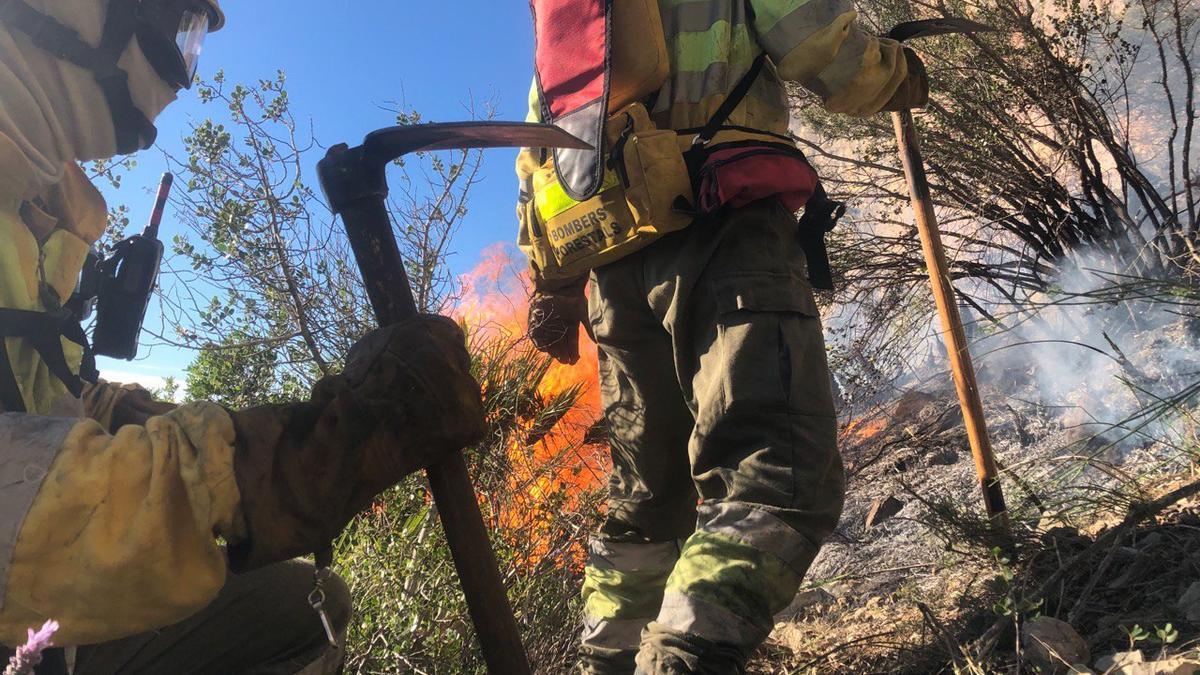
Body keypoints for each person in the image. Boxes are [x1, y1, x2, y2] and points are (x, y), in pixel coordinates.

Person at [0, 1, 485, 673]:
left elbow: (43, 399)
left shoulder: (24, 214)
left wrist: (164, 421)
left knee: (302, 613)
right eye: (175, 32)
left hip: (49, 624)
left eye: (192, 45)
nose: (178, 77)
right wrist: (280, 468)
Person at [519, 0, 929, 672]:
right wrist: (905, 72)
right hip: (719, 226)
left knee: (646, 505)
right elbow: (829, 56)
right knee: (777, 478)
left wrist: (553, 284)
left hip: (612, 267)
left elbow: (539, 148)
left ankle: (609, 665)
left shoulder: (570, 13)